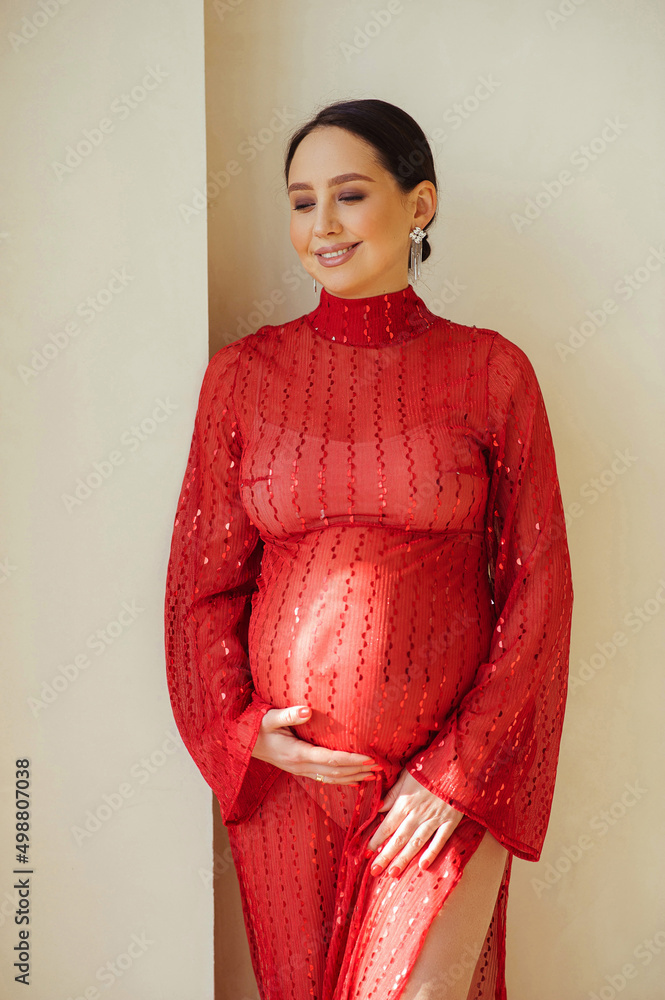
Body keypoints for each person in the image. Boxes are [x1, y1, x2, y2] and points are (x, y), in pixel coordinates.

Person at [164, 98, 574, 1000]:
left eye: (348, 195)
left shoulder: (491, 371)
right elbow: (200, 587)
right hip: (288, 791)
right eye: (301, 201)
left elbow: (537, 590)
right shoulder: (241, 378)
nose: (322, 225)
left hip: (443, 784)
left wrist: (459, 773)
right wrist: (241, 732)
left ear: (418, 203)